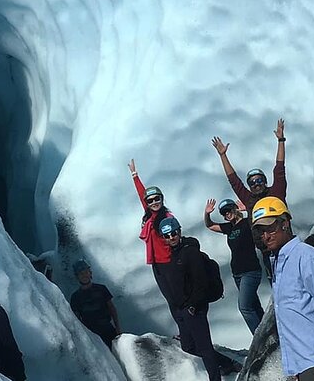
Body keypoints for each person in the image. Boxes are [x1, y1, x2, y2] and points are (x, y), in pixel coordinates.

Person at [251, 197, 314, 381]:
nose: (266, 236)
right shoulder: (278, 263)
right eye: (260, 232)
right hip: (299, 368)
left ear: (285, 223)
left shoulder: (307, 257)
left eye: (270, 228)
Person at [159, 217, 242, 380]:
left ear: (179, 231)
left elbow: (201, 281)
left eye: (173, 233)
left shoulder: (190, 252)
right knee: (189, 346)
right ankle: (227, 363)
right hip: (182, 308)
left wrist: (193, 306)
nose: (171, 238)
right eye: (167, 236)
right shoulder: (173, 254)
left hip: (194, 307)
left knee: (204, 348)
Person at [211, 118, 288, 280]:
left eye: (259, 180)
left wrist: (281, 140)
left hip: (285, 246)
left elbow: (279, 168)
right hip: (267, 253)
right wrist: (223, 156)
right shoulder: (248, 199)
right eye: (252, 182)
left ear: (265, 181)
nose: (256, 184)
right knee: (278, 286)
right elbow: (234, 181)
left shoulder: (276, 193)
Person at [203, 198, 264, 334]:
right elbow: (210, 225)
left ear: (234, 209)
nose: (227, 214)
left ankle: (259, 339)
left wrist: (247, 209)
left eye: (228, 210)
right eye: (224, 213)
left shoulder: (247, 223)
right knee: (254, 306)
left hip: (251, 271)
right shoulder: (229, 227)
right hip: (237, 273)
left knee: (245, 307)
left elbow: (259, 218)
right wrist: (207, 213)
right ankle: (269, 333)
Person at [128, 159, 177, 313]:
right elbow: (142, 195)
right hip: (157, 264)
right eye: (151, 200)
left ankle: (186, 330)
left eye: (157, 199)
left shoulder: (167, 217)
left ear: (162, 199)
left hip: (169, 262)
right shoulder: (150, 216)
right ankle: (182, 331)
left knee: (176, 297)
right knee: (170, 298)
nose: (154, 202)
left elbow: (176, 238)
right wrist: (135, 176)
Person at [70, 259, 122, 349]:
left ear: (90, 273)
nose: (84, 275)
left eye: (86, 272)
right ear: (77, 277)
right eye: (81, 273)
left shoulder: (101, 289)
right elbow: (76, 318)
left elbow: (112, 308)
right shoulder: (75, 297)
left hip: (108, 330)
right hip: (92, 335)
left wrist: (117, 327)